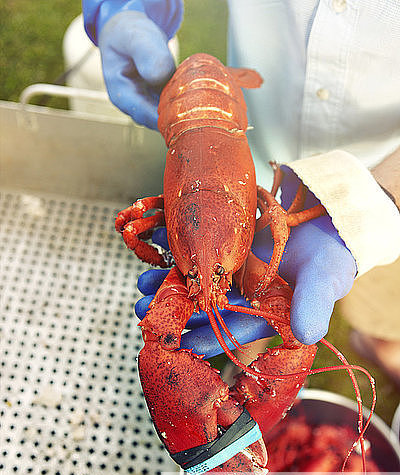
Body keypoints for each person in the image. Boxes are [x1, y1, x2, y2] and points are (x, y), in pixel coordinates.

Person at [82, 0, 400, 378]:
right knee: (255, 318)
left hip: (384, 158)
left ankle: (380, 342)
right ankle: (246, 375)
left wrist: (384, 194)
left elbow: (133, 229)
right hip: (263, 130)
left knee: (380, 292)